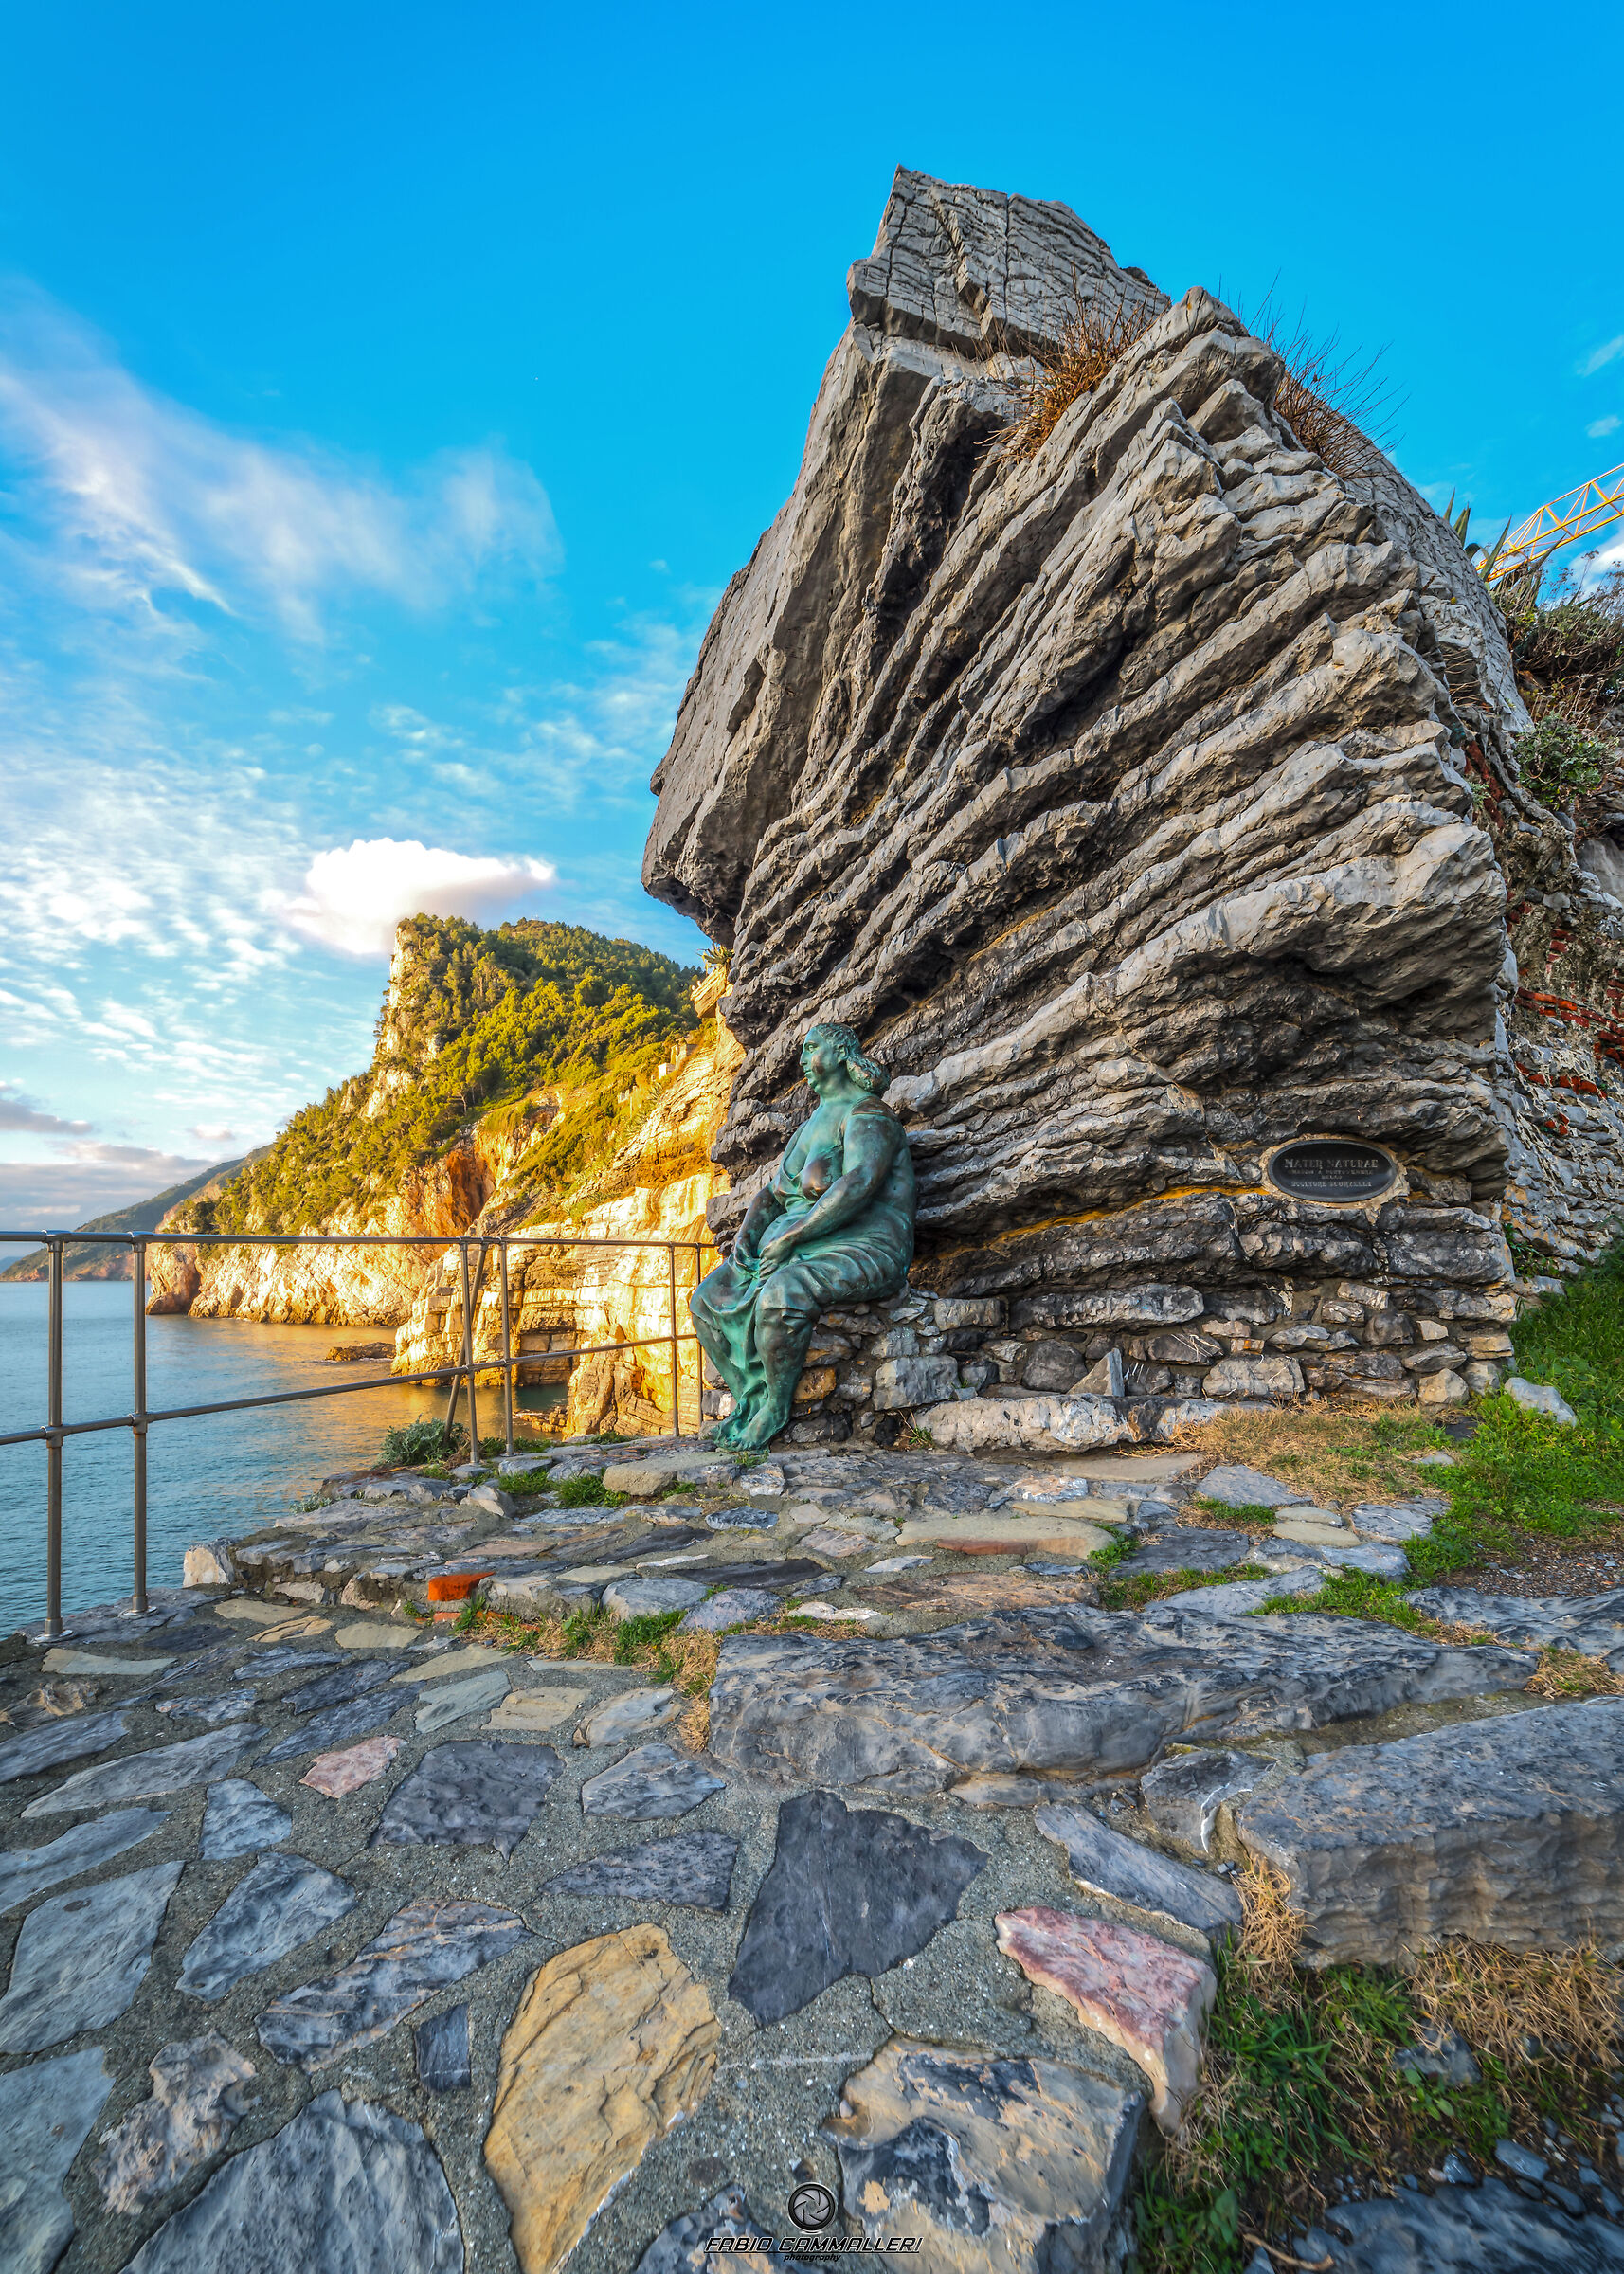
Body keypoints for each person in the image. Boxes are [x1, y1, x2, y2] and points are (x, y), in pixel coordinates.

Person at [690, 1022, 915, 1450]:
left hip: (865, 1245)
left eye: (811, 1048)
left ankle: (774, 1408)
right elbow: (774, 1194)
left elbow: (859, 1183)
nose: (802, 1060)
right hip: (801, 1244)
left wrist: (791, 1238)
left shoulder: (869, 1114)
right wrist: (746, 1237)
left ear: (841, 1054)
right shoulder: (810, 1125)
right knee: (704, 1300)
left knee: (783, 1293)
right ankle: (748, 1400)